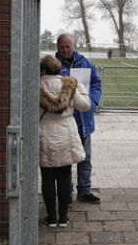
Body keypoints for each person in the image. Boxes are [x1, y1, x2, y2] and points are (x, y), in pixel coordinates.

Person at [39, 55, 90, 227]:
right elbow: (85, 106)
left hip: (44, 134)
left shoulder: (37, 85)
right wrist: (81, 88)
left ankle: (51, 218)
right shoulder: (69, 86)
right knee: (64, 176)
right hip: (66, 135)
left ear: (43, 69)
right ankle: (63, 217)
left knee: (47, 177)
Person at [55, 33, 103, 203]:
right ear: (57, 47)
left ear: (73, 45)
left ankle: (84, 190)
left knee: (85, 158)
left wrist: (93, 101)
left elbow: (96, 83)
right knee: (66, 159)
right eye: (62, 47)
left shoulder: (85, 63)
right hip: (64, 121)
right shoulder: (53, 66)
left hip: (84, 120)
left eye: (68, 46)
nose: (65, 50)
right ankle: (66, 192)